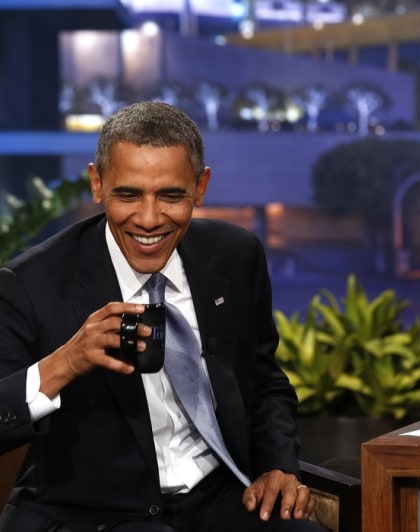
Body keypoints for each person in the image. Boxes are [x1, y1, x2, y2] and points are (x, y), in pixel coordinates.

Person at [0, 101, 324, 531]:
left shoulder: (234, 254)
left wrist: (278, 464)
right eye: (128, 194)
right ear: (97, 184)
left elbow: (265, 381)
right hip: (98, 512)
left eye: (171, 195)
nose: (149, 219)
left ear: (200, 186)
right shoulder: (31, 282)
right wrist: (66, 361)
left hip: (221, 494)